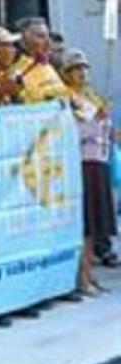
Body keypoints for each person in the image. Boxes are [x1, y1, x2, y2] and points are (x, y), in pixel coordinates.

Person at [63, 50, 115, 294]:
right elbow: (74, 132)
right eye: (76, 69)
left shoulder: (91, 96)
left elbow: (104, 129)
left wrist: (105, 123)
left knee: (95, 221)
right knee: (85, 220)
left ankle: (90, 272)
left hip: (99, 161)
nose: (82, 73)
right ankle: (81, 276)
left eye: (84, 68)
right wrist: (95, 120)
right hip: (82, 162)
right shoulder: (67, 97)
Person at [14, 17, 73, 103]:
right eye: (41, 36)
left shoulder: (51, 65)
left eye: (48, 36)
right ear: (23, 41)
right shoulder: (17, 70)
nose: (48, 42)